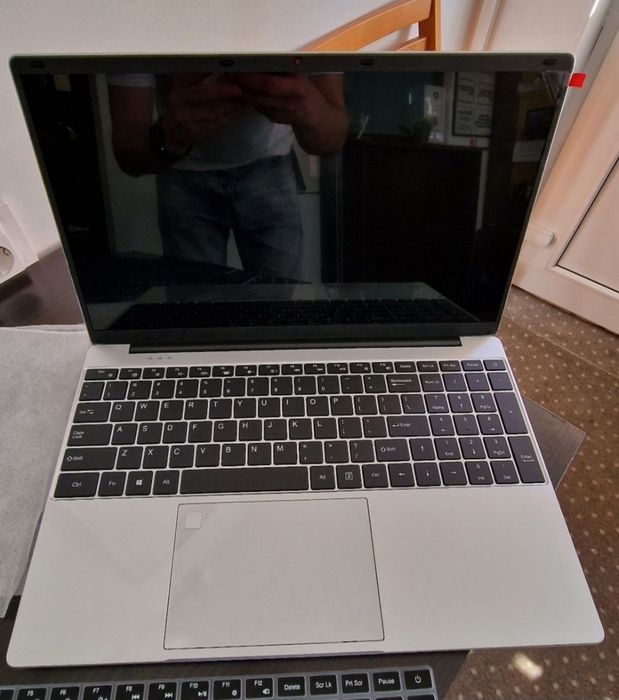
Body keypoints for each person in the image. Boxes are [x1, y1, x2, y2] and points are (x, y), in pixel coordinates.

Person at [108, 71, 348, 279]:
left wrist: (170, 134)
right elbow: (129, 152)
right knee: (278, 305)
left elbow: (129, 151)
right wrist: (307, 105)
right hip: (256, 165)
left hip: (190, 170)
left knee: (195, 306)